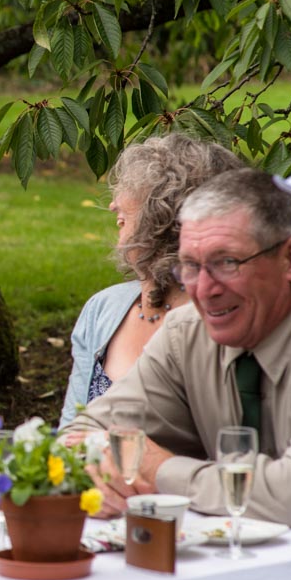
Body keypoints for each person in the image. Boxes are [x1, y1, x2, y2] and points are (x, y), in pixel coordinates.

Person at [61, 168, 291, 528]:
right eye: (190, 266)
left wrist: (159, 469)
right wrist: (99, 468)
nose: (204, 289)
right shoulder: (186, 335)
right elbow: (75, 439)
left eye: (227, 263)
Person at [60, 135, 242, 427]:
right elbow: (70, 431)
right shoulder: (102, 309)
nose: (112, 207)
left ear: (169, 218)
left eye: (136, 191)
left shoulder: (221, 322)